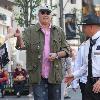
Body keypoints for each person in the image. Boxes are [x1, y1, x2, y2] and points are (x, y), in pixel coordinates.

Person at [14, 5, 71, 100]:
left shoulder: (59, 31)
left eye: (48, 13)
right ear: (38, 15)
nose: (45, 14)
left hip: (55, 75)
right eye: (43, 12)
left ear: (51, 15)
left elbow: (67, 50)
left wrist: (56, 55)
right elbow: (22, 46)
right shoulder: (30, 30)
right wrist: (19, 37)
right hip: (37, 75)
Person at [65, 12, 100, 100]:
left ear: (91, 27)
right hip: (89, 84)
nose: (83, 29)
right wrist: (74, 75)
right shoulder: (87, 44)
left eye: (84, 27)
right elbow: (86, 66)